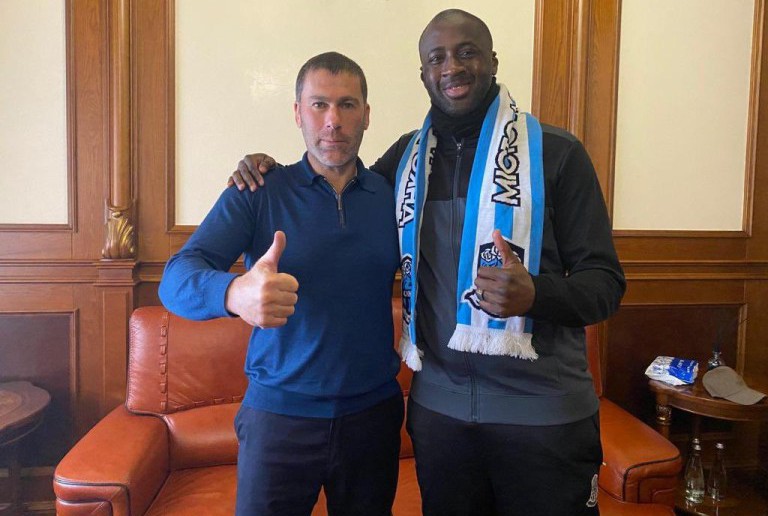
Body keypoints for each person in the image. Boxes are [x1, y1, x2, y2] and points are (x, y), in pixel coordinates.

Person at [230, 9, 626, 516]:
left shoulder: (556, 153)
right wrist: (266, 170)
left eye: (467, 53)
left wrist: (537, 294)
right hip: (441, 417)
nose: (452, 67)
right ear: (423, 74)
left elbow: (605, 283)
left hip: (544, 415)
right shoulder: (405, 160)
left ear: (493, 61)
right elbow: (337, 190)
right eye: (437, 58)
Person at [159, 52, 404, 516]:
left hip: (372, 417)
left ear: (367, 114)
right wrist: (234, 294)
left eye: (347, 104)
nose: (333, 121)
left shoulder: (392, 198)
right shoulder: (258, 190)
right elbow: (175, 278)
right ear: (297, 113)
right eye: (319, 104)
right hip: (279, 419)